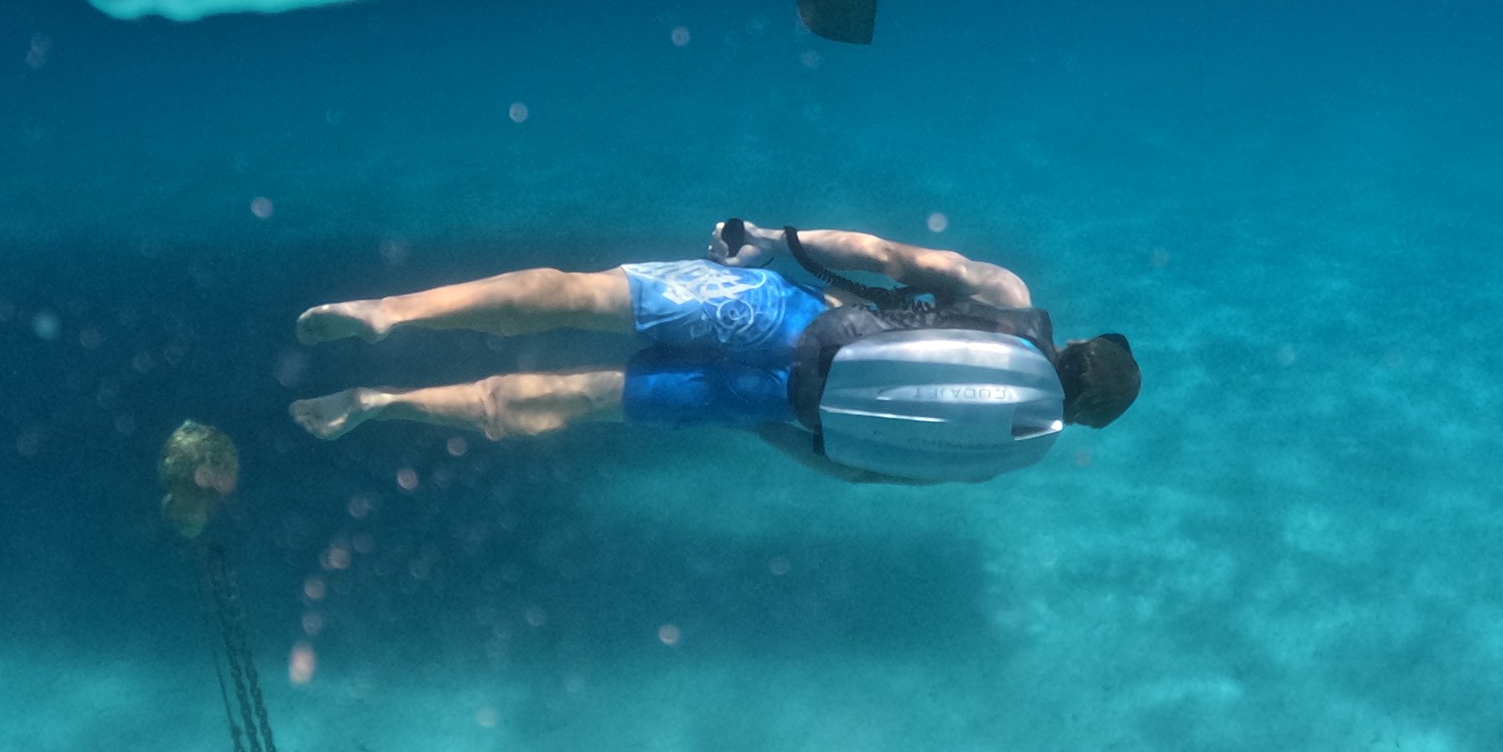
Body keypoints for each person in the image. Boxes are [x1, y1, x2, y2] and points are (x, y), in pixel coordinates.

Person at [290, 221, 1140, 484]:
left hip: (777, 315)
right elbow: (861, 467)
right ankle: (378, 405)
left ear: (1078, 343)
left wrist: (777, 238)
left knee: (576, 295)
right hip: (767, 405)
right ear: (1082, 417)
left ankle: (389, 313)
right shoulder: (1011, 449)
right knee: (565, 396)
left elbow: (886, 259)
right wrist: (760, 425)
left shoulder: (1010, 299)